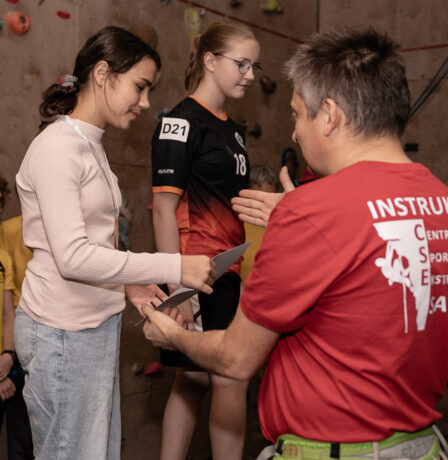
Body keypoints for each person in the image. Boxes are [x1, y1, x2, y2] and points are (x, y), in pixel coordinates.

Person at [143, 27, 448, 460]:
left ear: (328, 115)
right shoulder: (447, 204)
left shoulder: (314, 212)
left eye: (296, 115)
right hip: (420, 446)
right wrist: (306, 215)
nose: (294, 133)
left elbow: (236, 359)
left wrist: (172, 335)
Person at [14, 26, 215, 460]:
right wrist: (173, 267)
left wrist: (129, 285)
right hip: (62, 333)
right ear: (103, 74)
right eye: (140, 87)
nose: (146, 102)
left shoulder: (90, 144)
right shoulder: (58, 148)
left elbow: (92, 243)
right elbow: (72, 258)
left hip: (92, 329)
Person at [151, 21, 260, 460]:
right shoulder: (179, 122)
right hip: (195, 271)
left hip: (226, 269)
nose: (249, 75)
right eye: (242, 64)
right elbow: (163, 209)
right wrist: (175, 287)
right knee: (229, 376)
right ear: (211, 61)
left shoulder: (233, 130)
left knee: (194, 377)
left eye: (254, 67)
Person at [0, 177, 34, 460]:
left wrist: (7, 357)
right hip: (15, 358)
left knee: (26, 443)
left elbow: (6, 309)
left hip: (17, 356)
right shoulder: (8, 232)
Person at [240, 164, 277, 284]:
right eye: (259, 197)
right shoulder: (235, 225)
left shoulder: (278, 227)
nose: (264, 204)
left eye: (270, 198)